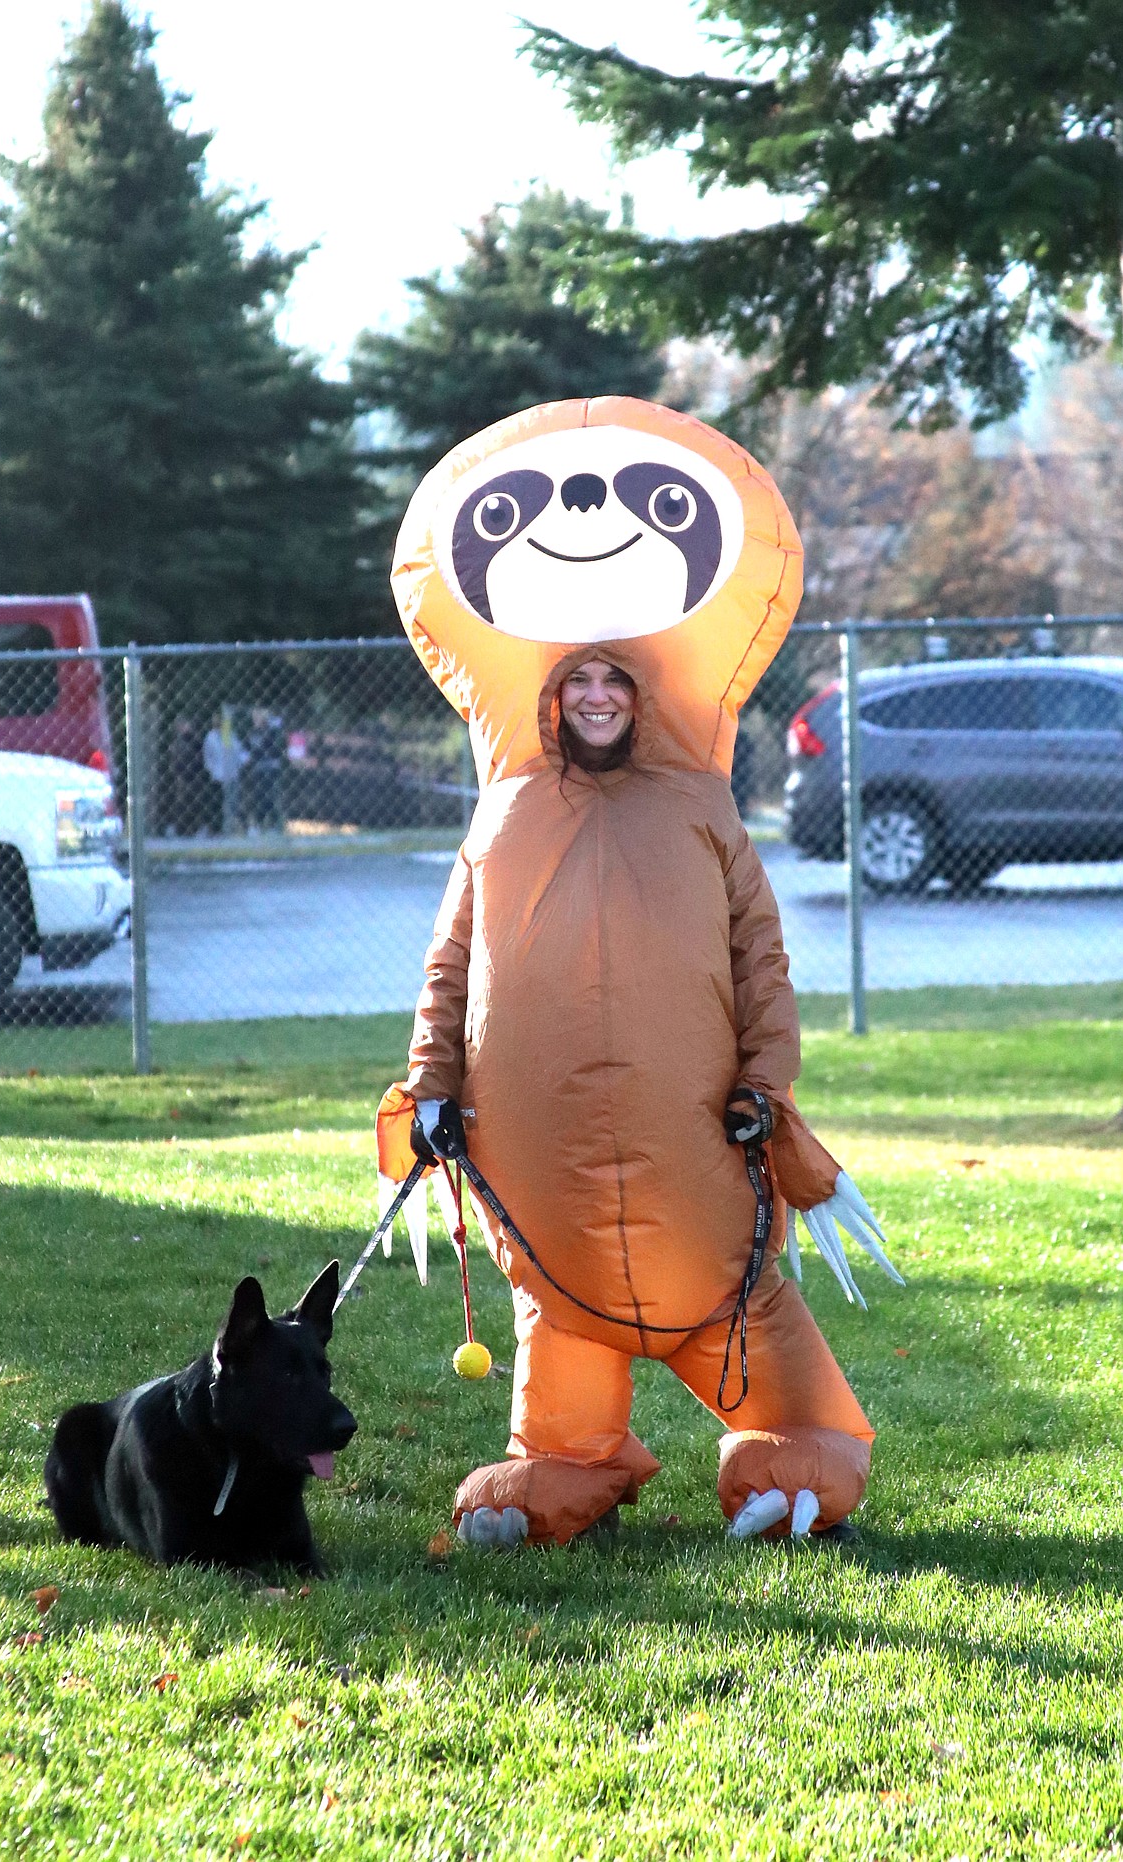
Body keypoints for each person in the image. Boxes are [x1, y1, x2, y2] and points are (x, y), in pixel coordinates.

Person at [376, 395, 900, 1551]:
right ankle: (565, 1459)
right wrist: (431, 1084)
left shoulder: (703, 810)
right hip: (544, 1176)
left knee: (752, 1319)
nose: (598, 696)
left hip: (701, 1171)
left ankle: (797, 1455)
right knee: (562, 1323)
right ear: (551, 698)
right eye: (577, 683)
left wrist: (768, 1084)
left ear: (641, 691)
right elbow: (454, 960)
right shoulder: (503, 813)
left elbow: (760, 960)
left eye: (615, 679)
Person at [202, 708, 248, 836]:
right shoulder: (210, 737)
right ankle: (216, 829)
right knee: (216, 803)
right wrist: (212, 769)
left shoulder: (230, 735)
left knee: (234, 802)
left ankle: (240, 827)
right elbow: (208, 756)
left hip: (231, 774)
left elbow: (238, 751)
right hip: (217, 775)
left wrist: (242, 762)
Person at [244, 706, 287, 834]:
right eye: (254, 717)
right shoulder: (252, 733)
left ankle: (274, 826)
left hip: (271, 767)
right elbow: (247, 749)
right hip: (258, 768)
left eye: (258, 717)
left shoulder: (273, 731)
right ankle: (257, 825)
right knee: (258, 796)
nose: (255, 720)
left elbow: (276, 747)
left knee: (271, 796)